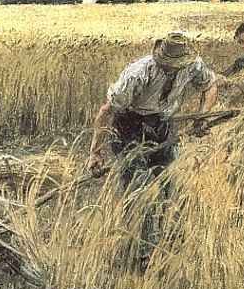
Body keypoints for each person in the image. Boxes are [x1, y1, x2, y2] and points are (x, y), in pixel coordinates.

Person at [88, 31, 219, 188]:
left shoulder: (193, 65)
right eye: (168, 64)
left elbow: (210, 86)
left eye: (177, 65)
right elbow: (106, 111)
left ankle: (165, 211)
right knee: (137, 184)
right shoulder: (138, 74)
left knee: (170, 181)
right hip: (130, 127)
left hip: (163, 125)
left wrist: (202, 116)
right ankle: (135, 211)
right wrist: (95, 152)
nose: (173, 69)